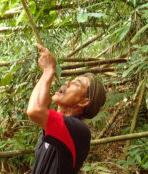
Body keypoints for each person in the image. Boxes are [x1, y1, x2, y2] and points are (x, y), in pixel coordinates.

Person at [27, 43, 106, 174]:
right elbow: (41, 108)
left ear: (84, 101)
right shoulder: (51, 131)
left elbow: (35, 110)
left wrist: (48, 70)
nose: (67, 83)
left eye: (76, 84)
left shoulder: (78, 131)